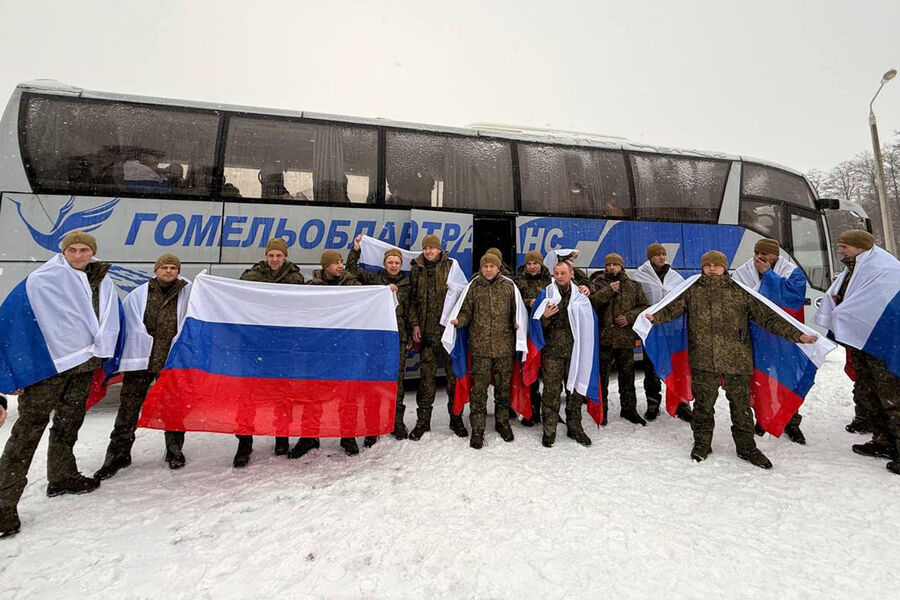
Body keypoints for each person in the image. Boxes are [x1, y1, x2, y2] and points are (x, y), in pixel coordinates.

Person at [647, 250, 817, 469]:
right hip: (704, 360)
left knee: (741, 408)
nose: (712, 268)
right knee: (703, 407)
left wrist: (798, 335)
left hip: (737, 360)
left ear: (724, 267)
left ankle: (747, 447)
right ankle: (702, 443)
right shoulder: (692, 291)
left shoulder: (739, 291)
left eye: (716, 265)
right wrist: (654, 316)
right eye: (707, 265)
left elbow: (769, 318)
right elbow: (672, 309)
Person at [0, 231, 121, 538]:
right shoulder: (43, 280)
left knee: (69, 424)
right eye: (72, 250)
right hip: (49, 369)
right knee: (27, 431)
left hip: (84, 366)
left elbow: (108, 317)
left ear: (92, 252)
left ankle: (62, 477)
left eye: (83, 250)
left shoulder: (103, 280)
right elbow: (15, 319)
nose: (78, 255)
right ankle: (3, 505)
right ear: (63, 252)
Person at [94, 253, 191, 479]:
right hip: (140, 362)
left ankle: (174, 449)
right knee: (128, 408)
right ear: (156, 270)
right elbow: (127, 325)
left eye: (173, 268)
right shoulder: (138, 295)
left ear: (178, 271)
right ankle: (118, 453)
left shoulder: (188, 294)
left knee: (174, 407)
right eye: (164, 267)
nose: (168, 271)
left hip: (171, 362)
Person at [814, 230, 900, 475]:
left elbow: (880, 305)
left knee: (892, 397)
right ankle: (883, 441)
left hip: (883, 344)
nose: (840, 251)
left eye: (844, 247)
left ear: (860, 247)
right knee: (870, 393)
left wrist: (847, 309)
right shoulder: (854, 268)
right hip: (865, 344)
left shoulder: (884, 269)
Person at [233, 238, 305, 468]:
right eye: (271, 255)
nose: (275, 259)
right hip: (254, 345)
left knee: (282, 393)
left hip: (282, 346)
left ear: (285, 256)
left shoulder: (296, 278)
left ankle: (281, 436)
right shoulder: (251, 277)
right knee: (248, 395)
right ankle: (244, 441)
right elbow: (237, 300)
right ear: (266, 256)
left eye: (279, 255)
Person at [733, 238, 808, 444]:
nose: (760, 257)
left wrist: (768, 275)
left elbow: (792, 298)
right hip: (757, 335)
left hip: (785, 337)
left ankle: (791, 421)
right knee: (760, 380)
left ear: (776, 255)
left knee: (788, 379)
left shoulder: (792, 272)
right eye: (757, 253)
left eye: (765, 254)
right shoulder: (742, 272)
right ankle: (763, 417)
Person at [289, 250, 363, 458]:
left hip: (344, 349)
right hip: (318, 350)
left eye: (341, 262)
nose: (340, 266)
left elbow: (370, 296)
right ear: (325, 266)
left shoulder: (351, 285)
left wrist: (386, 291)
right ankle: (309, 436)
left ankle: (347, 436)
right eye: (335, 263)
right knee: (313, 395)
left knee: (347, 395)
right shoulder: (311, 288)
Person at [347, 235, 412, 443]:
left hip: (398, 338)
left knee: (396, 381)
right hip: (375, 339)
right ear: (384, 264)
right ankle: (372, 426)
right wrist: (356, 250)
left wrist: (411, 332)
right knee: (374, 382)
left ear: (401, 265)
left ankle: (396, 422)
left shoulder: (407, 283)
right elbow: (351, 270)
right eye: (390, 262)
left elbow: (411, 310)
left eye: (397, 262)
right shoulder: (375, 280)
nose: (393, 265)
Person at [451, 253, 518, 448]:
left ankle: (502, 423)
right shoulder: (473, 287)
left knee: (503, 390)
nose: (488, 269)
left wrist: (517, 322)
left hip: (504, 348)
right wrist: (459, 320)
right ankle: (478, 429)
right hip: (480, 349)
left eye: (492, 266)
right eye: (485, 266)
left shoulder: (509, 287)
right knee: (478, 392)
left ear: (498, 267)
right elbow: (466, 311)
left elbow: (517, 311)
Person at [408, 235, 467, 440]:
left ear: (439, 249)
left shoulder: (451, 266)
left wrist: (455, 290)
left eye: (432, 248)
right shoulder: (417, 269)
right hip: (427, 333)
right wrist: (415, 324)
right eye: (425, 248)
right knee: (426, 379)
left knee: (453, 378)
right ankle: (423, 422)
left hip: (448, 333)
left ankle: (456, 419)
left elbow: (464, 293)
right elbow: (412, 300)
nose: (428, 251)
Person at [536, 260, 594, 448]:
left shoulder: (580, 295)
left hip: (575, 351)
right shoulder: (546, 294)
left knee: (575, 391)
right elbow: (535, 326)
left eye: (563, 273)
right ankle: (549, 428)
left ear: (571, 274)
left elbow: (588, 320)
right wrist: (544, 317)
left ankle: (574, 426)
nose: (559, 277)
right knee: (551, 391)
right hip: (552, 352)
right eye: (556, 273)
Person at [631, 243, 691, 422]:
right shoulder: (640, 276)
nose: (662, 257)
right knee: (651, 367)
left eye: (663, 254)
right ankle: (653, 403)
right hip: (652, 330)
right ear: (650, 257)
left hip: (673, 330)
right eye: (657, 255)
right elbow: (636, 302)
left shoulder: (675, 277)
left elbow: (682, 301)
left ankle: (682, 403)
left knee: (677, 366)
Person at [590, 253, 650, 426]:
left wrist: (629, 317)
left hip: (625, 339)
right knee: (602, 378)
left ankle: (629, 409)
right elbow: (590, 303)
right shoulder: (597, 284)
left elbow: (644, 307)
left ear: (621, 266)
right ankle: (601, 411)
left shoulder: (633, 286)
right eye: (608, 264)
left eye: (615, 264)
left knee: (627, 376)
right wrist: (608, 290)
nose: (611, 267)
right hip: (604, 339)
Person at [514, 250, 552, 426]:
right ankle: (532, 411)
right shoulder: (518, 281)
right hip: (528, 333)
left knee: (550, 375)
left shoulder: (550, 281)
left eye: (535, 263)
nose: (532, 267)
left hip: (547, 333)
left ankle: (550, 412)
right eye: (529, 263)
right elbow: (513, 301)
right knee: (530, 373)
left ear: (541, 264)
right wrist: (528, 302)